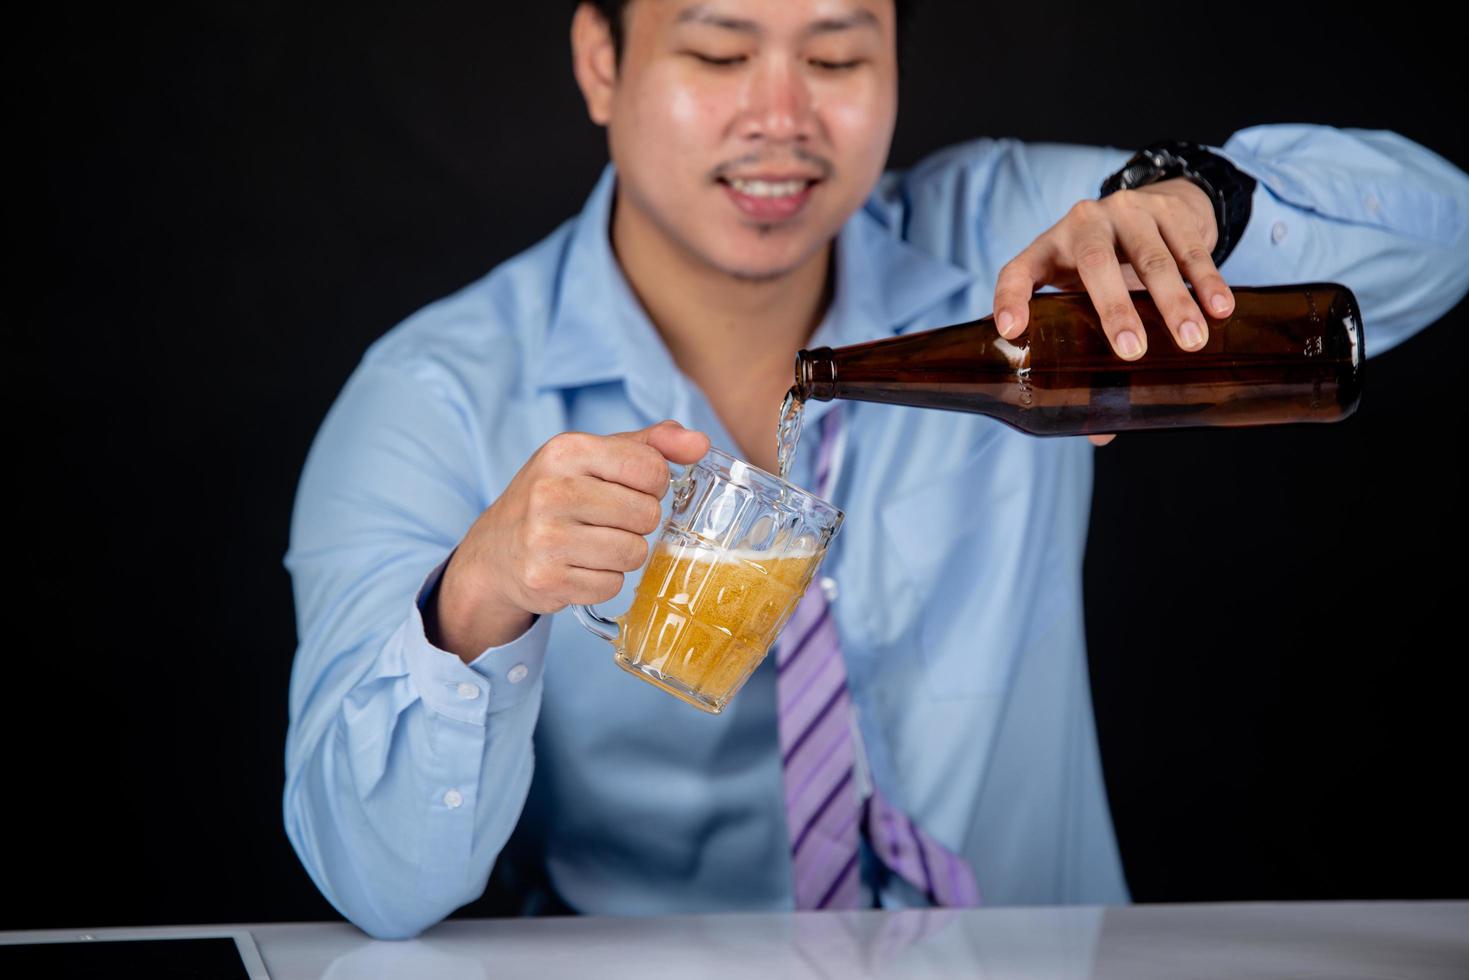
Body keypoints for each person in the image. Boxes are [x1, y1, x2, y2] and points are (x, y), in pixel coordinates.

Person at [282, 0, 1469, 940]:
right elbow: (375, 883)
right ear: (599, 60)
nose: (781, 117)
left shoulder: (1007, 254)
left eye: (838, 57)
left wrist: (1198, 201)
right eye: (718, 49)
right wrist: (474, 596)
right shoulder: (435, 397)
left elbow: (1444, 228)